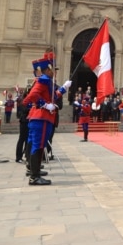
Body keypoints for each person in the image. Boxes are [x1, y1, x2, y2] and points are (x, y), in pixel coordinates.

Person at [23, 52, 72, 185]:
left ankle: (34, 170)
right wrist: (44, 105)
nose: (55, 72)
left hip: (39, 118)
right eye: (53, 70)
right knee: (38, 146)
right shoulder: (44, 79)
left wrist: (63, 89)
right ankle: (34, 176)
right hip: (42, 118)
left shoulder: (47, 81)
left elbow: (52, 97)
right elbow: (32, 96)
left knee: (34, 144)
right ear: (48, 69)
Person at [15, 91, 29, 163]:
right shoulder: (23, 101)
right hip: (24, 121)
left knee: (27, 140)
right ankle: (18, 157)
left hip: (29, 121)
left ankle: (27, 155)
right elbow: (24, 110)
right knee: (22, 139)